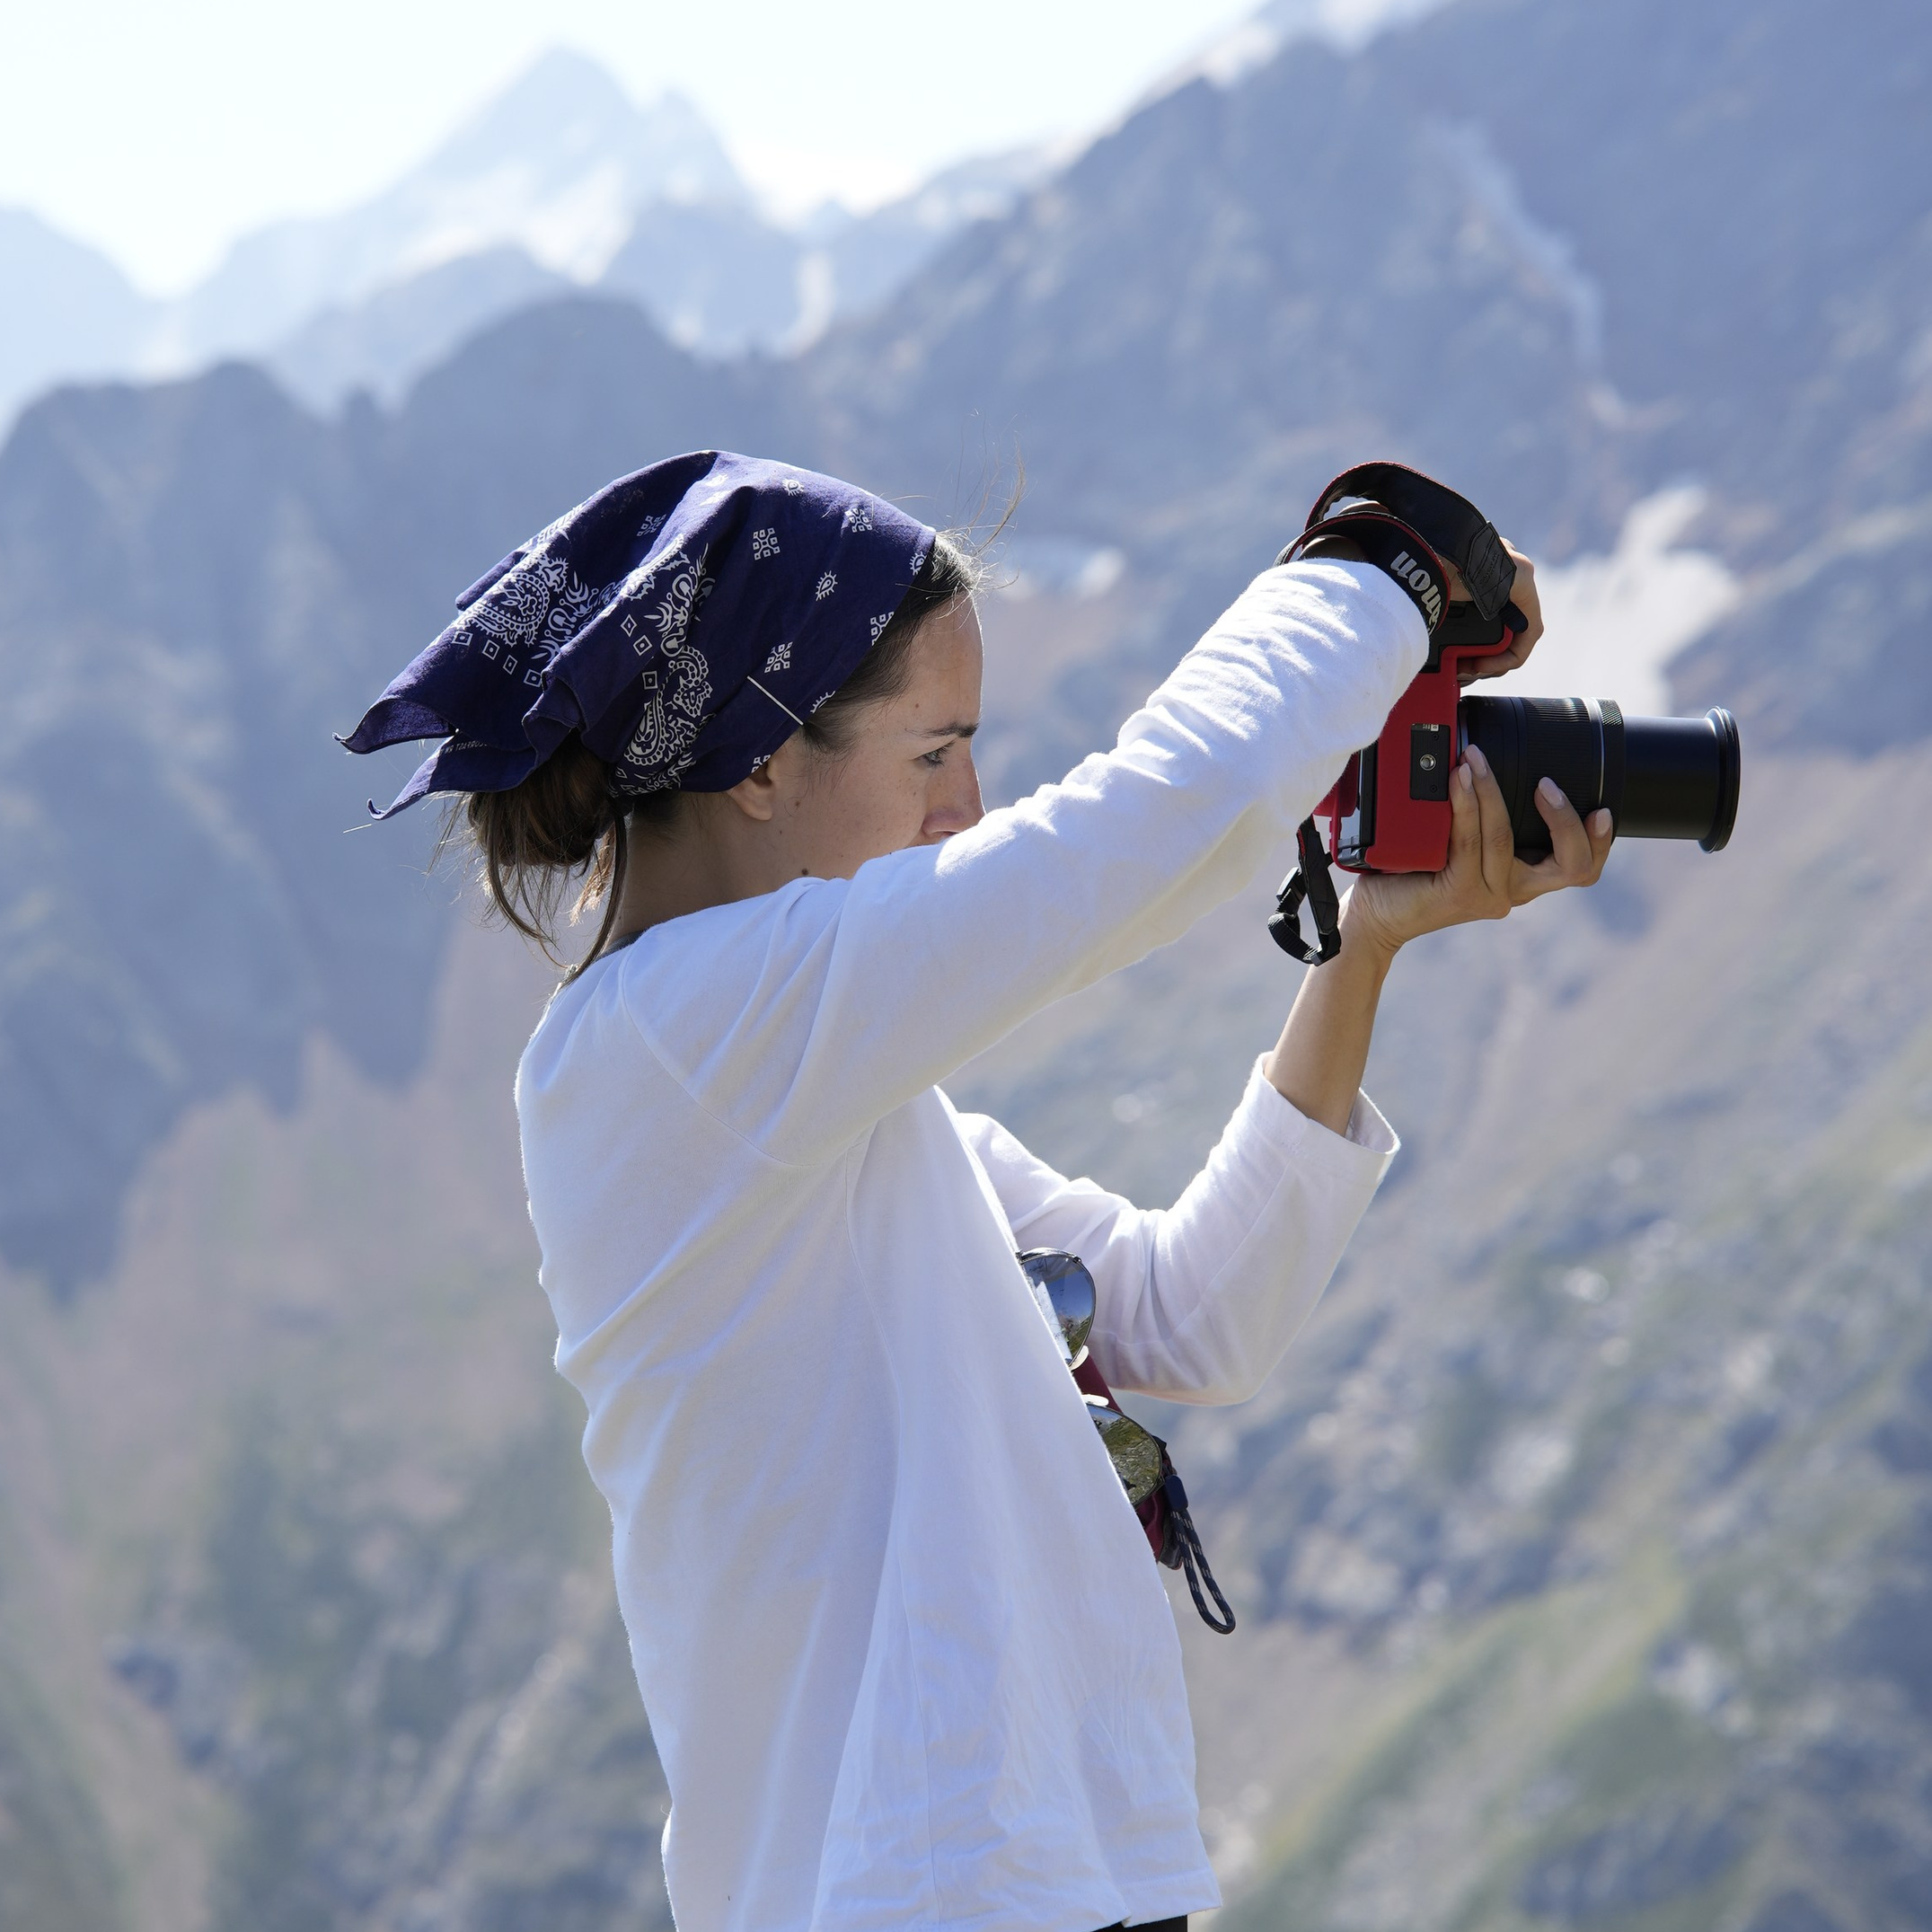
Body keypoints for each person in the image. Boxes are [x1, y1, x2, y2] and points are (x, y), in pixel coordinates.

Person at [343, 451, 1610, 1932]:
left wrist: (1365, 951)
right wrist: (1384, 568)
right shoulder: (667, 1044)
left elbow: (1194, 1322)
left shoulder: (806, 1096)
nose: (973, 802)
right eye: (936, 750)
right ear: (759, 762)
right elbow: (1158, 824)